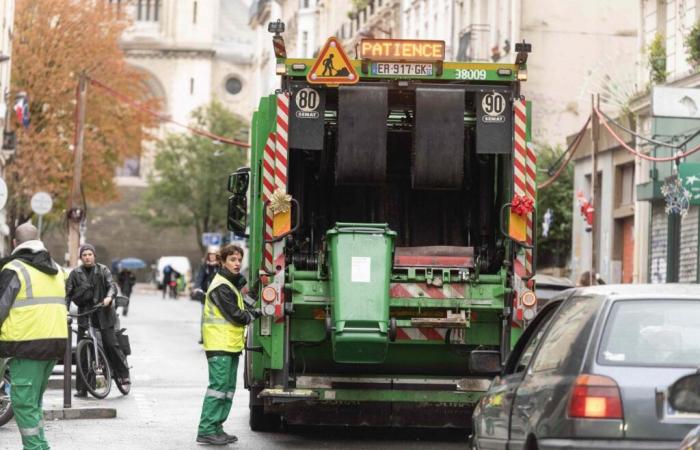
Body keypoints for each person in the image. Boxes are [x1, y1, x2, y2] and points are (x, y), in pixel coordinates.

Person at [0, 223, 68, 450]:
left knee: (23, 403)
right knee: (33, 403)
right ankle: (40, 446)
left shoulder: (15, 269)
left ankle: (35, 448)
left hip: (25, 345)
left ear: (14, 243)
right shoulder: (57, 268)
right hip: (55, 343)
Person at [196, 244, 261, 445]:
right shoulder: (221, 286)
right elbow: (236, 315)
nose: (237, 263)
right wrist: (258, 313)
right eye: (232, 260)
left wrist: (258, 291)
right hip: (219, 344)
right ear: (223, 262)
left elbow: (244, 303)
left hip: (229, 345)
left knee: (227, 389)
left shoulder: (230, 284)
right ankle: (206, 429)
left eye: (239, 260)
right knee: (218, 388)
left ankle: (217, 427)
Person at [66, 244, 130, 396]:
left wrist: (108, 298)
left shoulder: (103, 270)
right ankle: (83, 388)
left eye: (90, 254)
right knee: (82, 350)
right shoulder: (75, 273)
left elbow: (112, 286)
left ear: (94, 256)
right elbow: (67, 294)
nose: (87, 257)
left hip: (103, 313)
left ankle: (122, 374)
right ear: (81, 257)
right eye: (84, 255)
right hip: (84, 314)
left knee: (110, 343)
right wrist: (64, 310)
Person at [194, 247, 221, 344]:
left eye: (214, 254)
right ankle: (203, 336)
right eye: (210, 254)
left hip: (218, 295)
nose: (212, 256)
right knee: (204, 316)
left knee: (219, 316)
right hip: (205, 294)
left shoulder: (220, 266)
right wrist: (197, 287)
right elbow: (199, 278)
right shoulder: (204, 266)